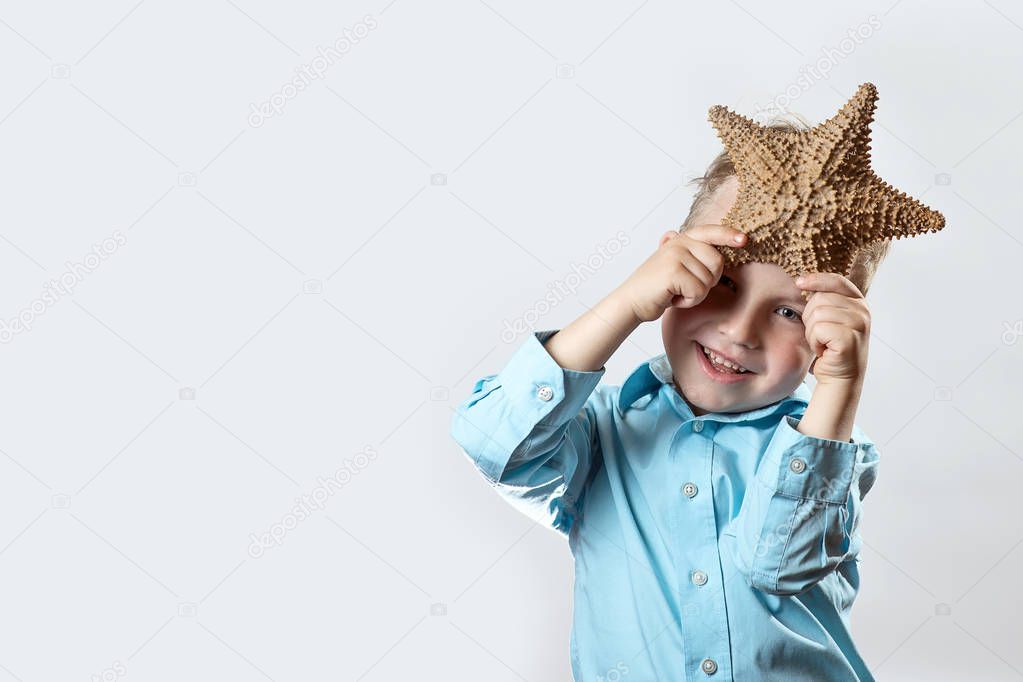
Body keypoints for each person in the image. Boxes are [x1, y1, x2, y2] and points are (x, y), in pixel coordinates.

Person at [450, 119, 885, 681]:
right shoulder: (599, 433)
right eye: (724, 282)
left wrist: (842, 383)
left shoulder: (833, 450)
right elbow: (495, 446)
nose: (739, 331)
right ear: (670, 265)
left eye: (789, 312)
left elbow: (782, 562)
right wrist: (628, 299)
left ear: (833, 329)